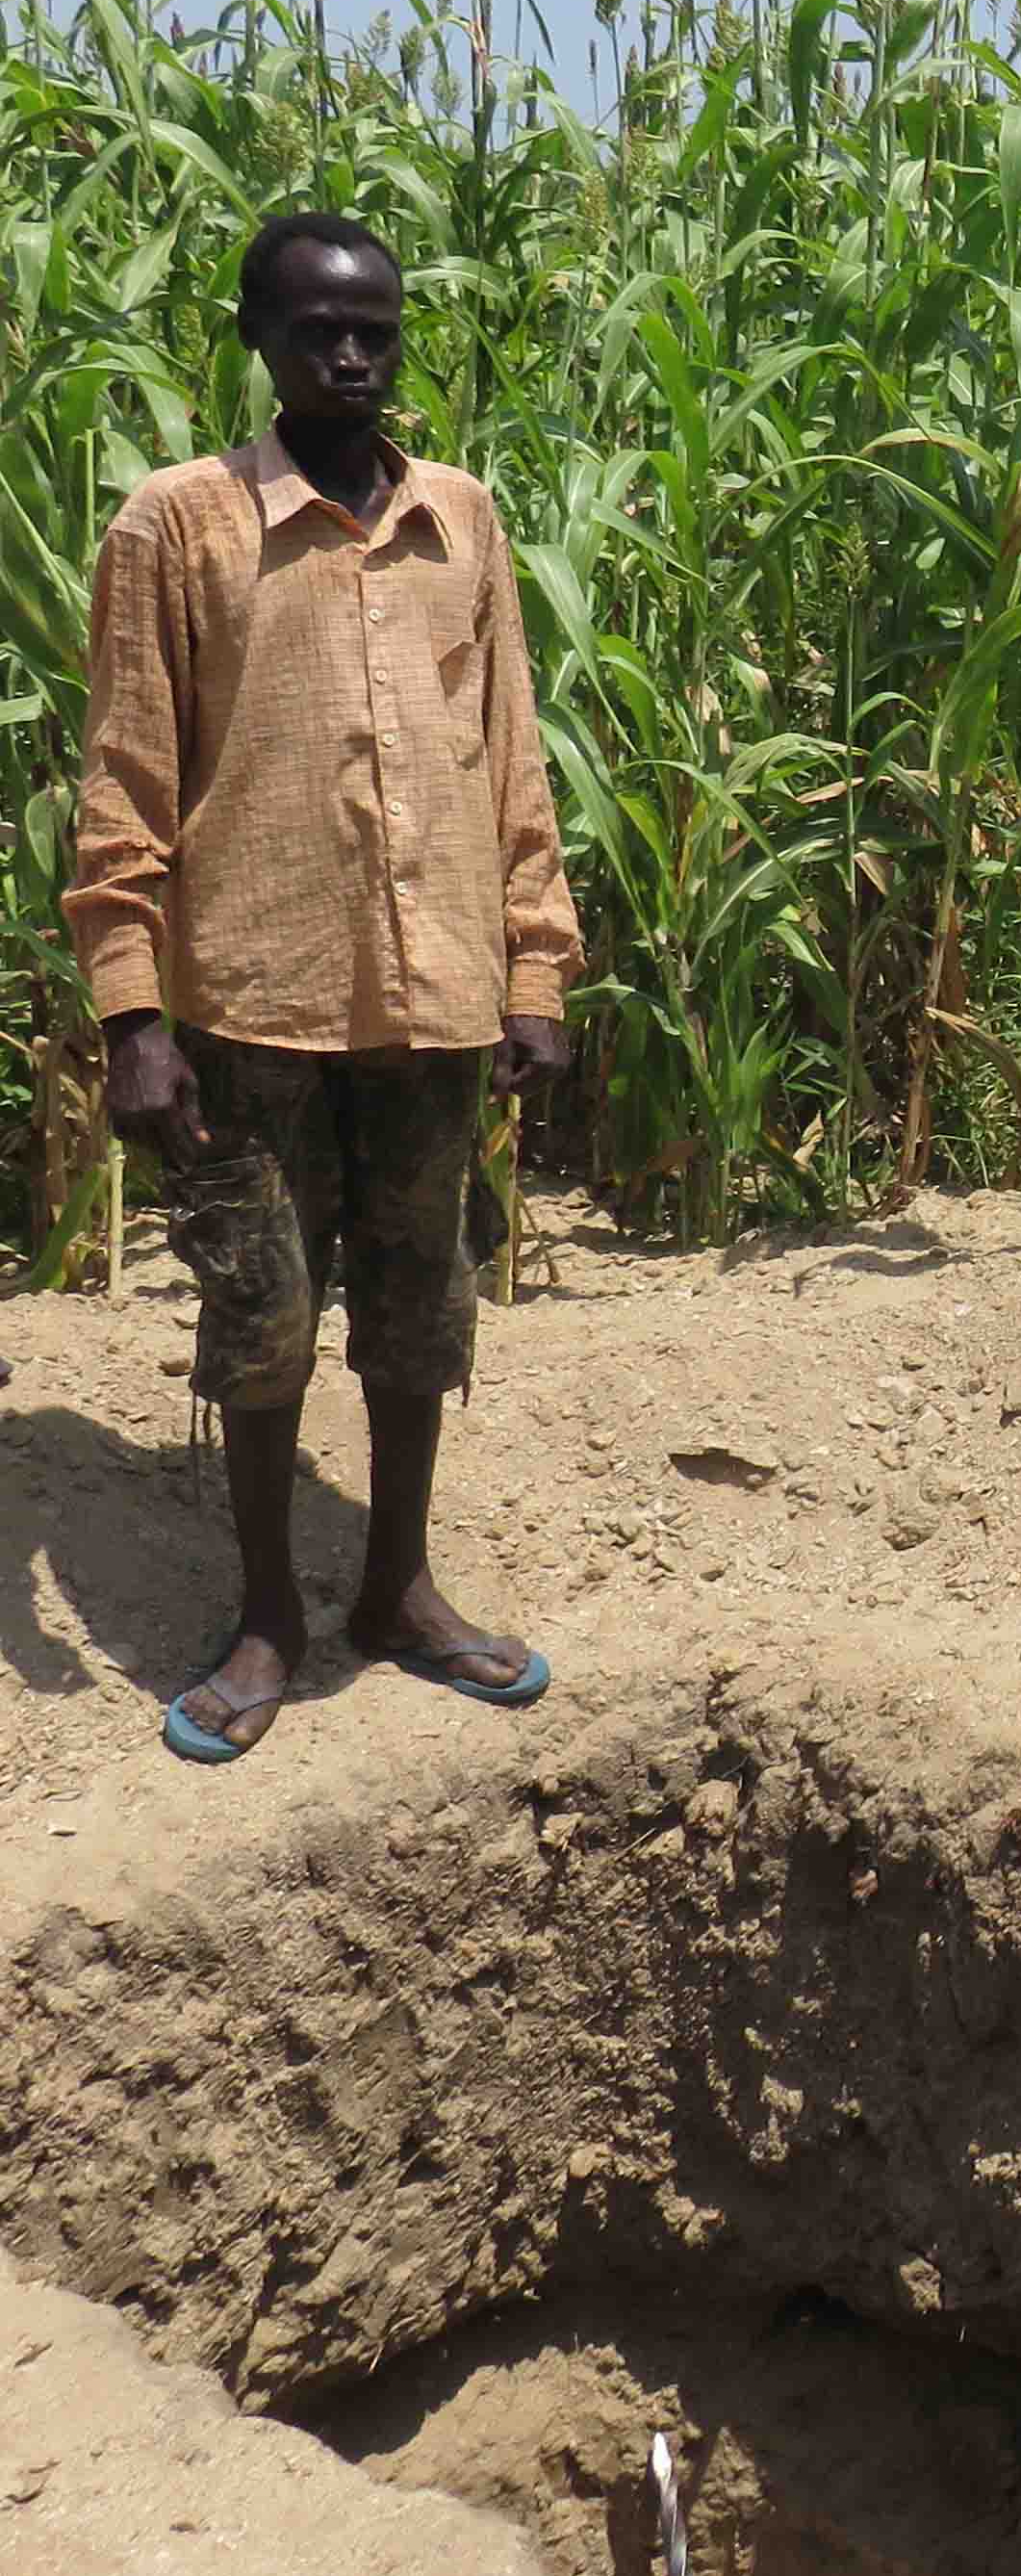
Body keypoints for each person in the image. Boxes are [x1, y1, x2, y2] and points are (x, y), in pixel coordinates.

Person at [65, 210, 580, 1764]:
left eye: (376, 328)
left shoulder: (464, 521)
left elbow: (512, 757)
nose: (351, 356)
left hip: (435, 1001)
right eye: (317, 331)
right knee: (264, 1313)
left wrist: (537, 964)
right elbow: (125, 783)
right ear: (257, 340)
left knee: (424, 1300)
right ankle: (272, 1616)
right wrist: (132, 1015)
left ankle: (399, 1588)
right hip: (251, 1001)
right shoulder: (179, 525)